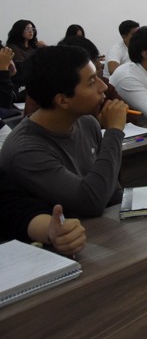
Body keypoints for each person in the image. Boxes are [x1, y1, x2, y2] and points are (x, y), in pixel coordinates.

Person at [0, 45, 128, 217]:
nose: (103, 87)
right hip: (65, 238)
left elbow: (112, 191)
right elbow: (90, 203)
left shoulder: (87, 123)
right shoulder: (26, 150)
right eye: (91, 82)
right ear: (62, 100)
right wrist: (113, 132)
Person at [25, 36, 126, 116]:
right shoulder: (43, 95)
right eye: (91, 81)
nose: (100, 65)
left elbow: (127, 112)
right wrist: (110, 127)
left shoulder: (101, 83)